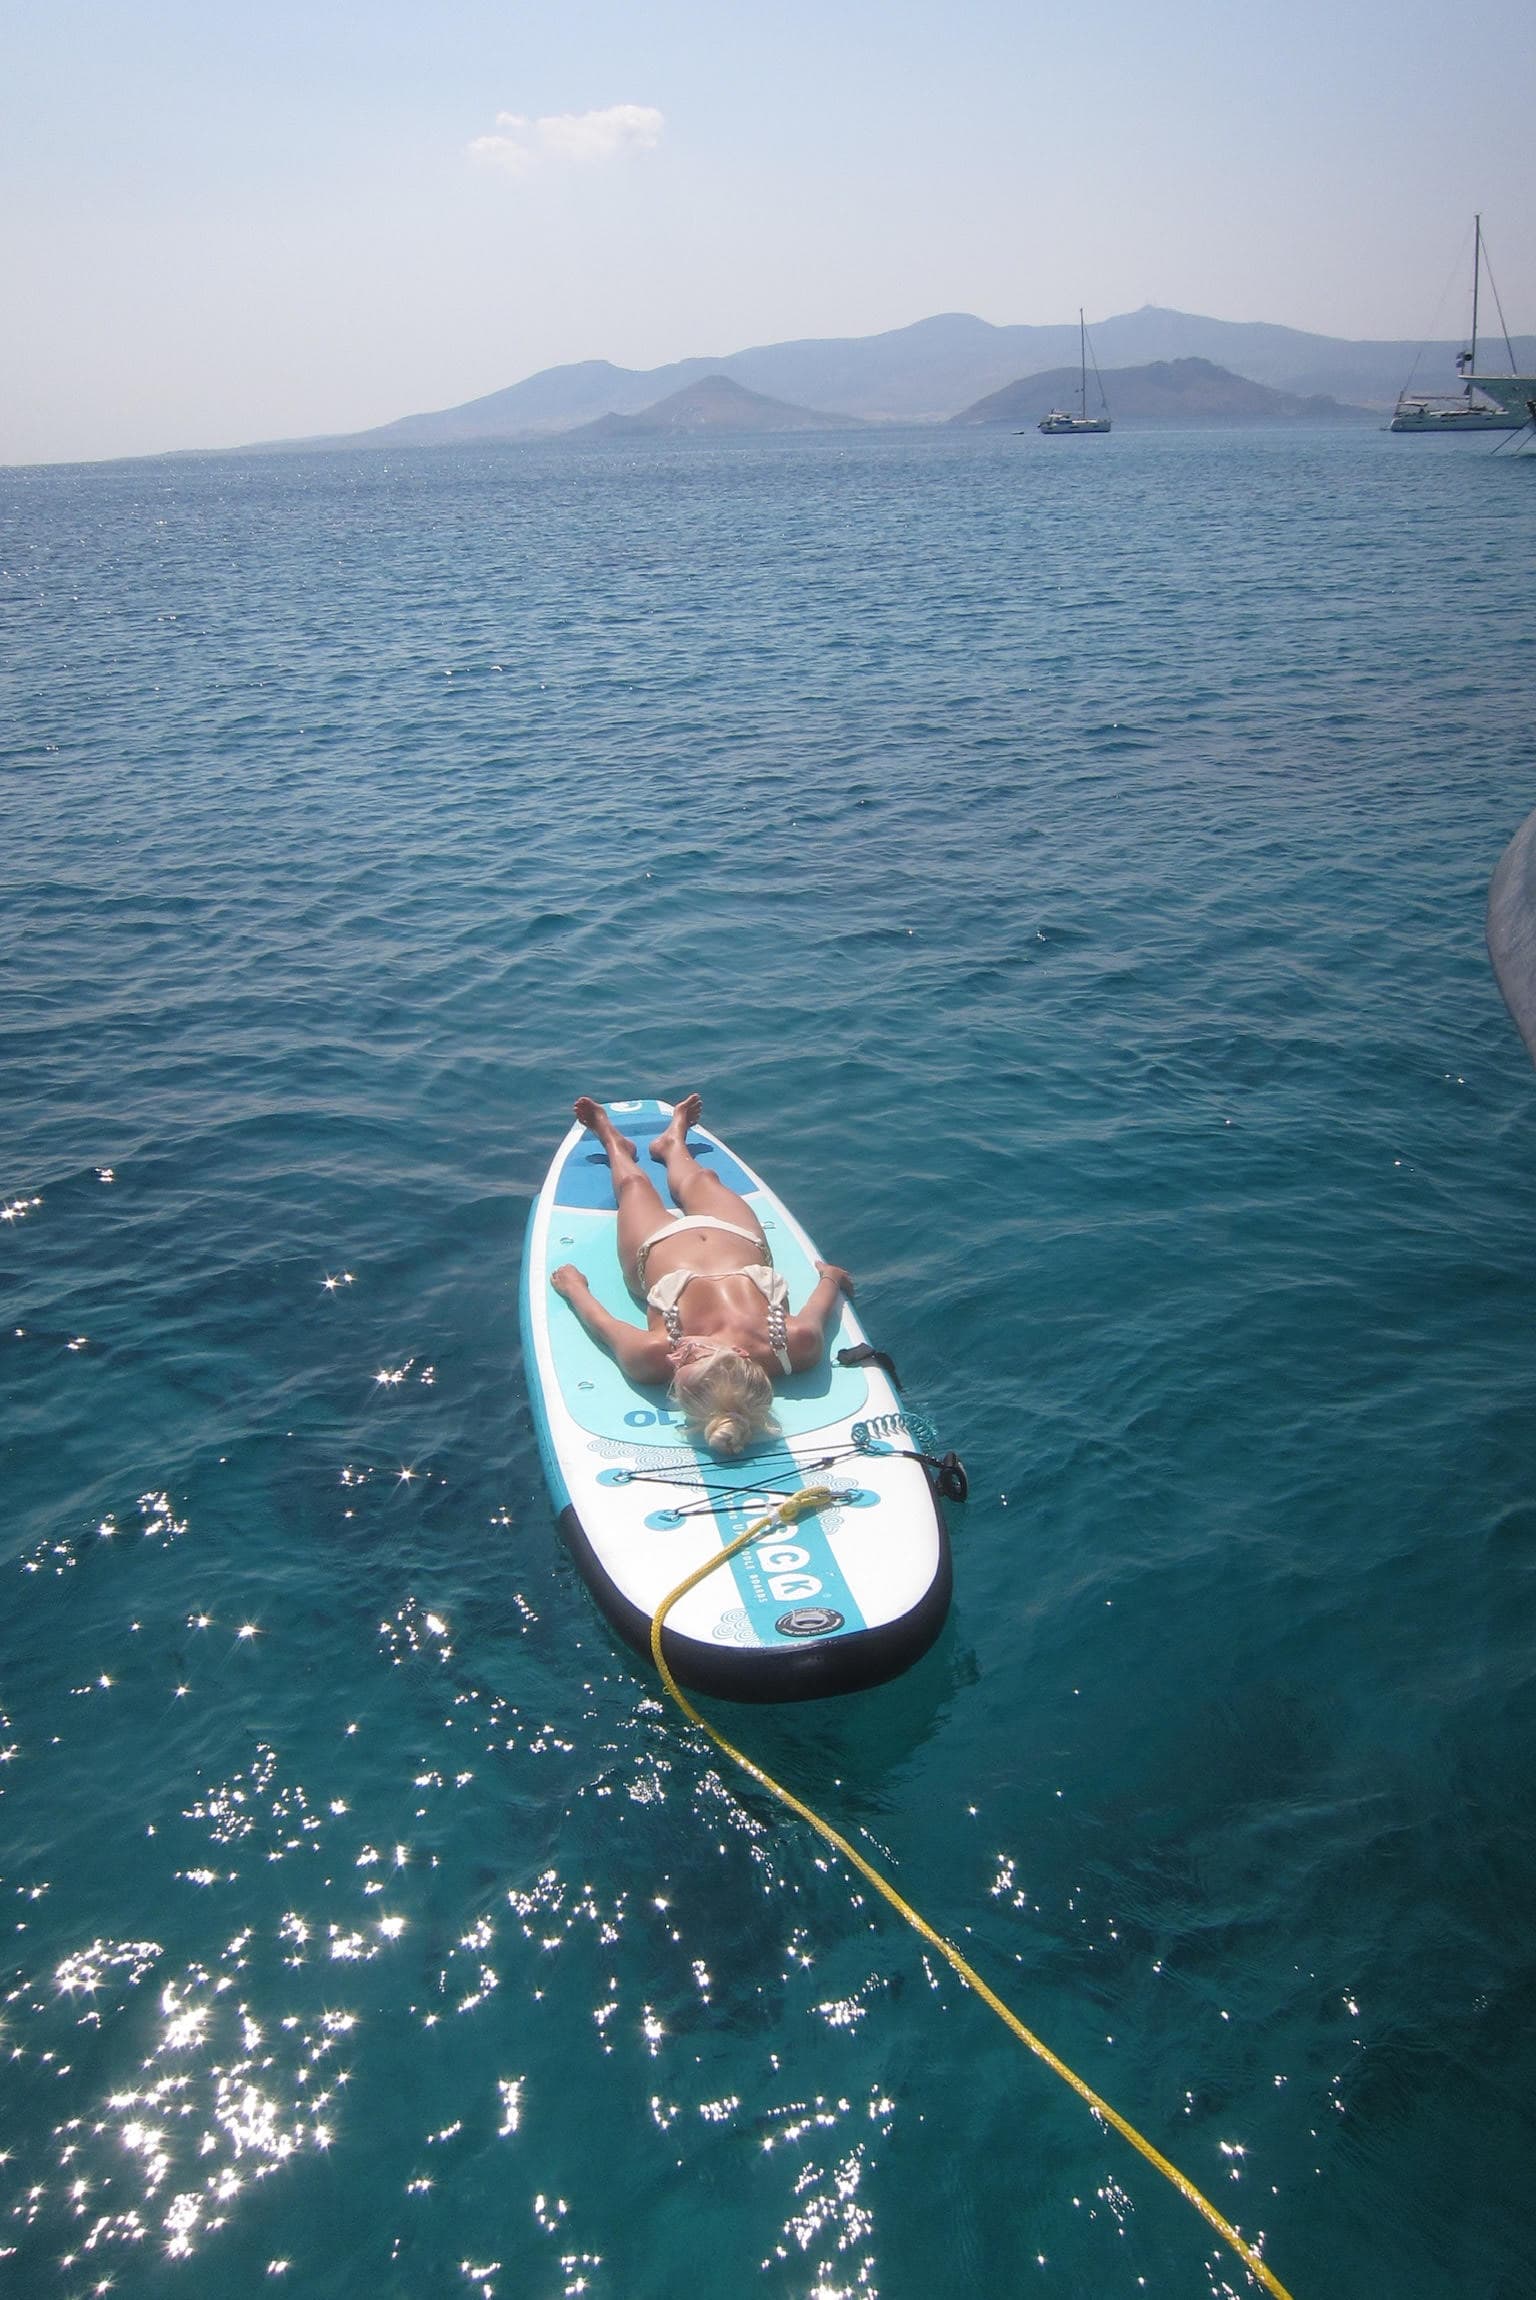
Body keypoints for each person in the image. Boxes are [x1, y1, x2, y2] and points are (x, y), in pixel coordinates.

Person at [549, 1094, 854, 1458]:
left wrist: (575, 1289)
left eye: (675, 1377)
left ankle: (613, 1141)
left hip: (654, 1249)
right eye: (689, 1358)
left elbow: (601, 1323)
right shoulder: (795, 1344)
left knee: (634, 1188)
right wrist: (831, 1277)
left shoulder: (650, 1355)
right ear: (739, 1353)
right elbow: (821, 1302)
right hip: (738, 1236)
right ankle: (673, 1141)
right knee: (702, 1177)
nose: (675, 1361)